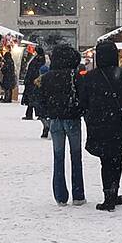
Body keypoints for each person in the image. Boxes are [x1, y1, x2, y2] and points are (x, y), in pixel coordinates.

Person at [77, 40, 122, 211]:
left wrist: (92, 112)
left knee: (106, 160)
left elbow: (83, 101)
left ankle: (108, 195)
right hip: (118, 123)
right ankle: (113, 191)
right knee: (117, 159)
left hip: (98, 124)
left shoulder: (90, 77)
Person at [40, 44, 85, 206]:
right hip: (72, 118)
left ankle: (60, 195)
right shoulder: (76, 76)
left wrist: (50, 111)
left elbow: (41, 99)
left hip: (55, 120)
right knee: (76, 156)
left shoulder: (47, 77)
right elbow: (83, 97)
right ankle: (78, 194)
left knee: (58, 157)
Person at [21, 47, 46, 119]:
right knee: (32, 99)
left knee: (33, 99)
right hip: (32, 81)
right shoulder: (39, 58)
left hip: (33, 81)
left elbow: (34, 70)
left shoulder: (39, 59)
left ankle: (34, 114)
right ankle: (33, 114)